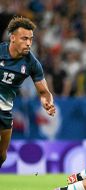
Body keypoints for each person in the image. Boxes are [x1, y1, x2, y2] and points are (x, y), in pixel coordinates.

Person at [0, 16, 56, 168]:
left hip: (4, 113)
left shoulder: (32, 63)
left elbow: (44, 92)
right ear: (12, 37)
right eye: (24, 39)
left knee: (1, 155)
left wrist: (47, 103)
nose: (29, 43)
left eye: (30, 39)